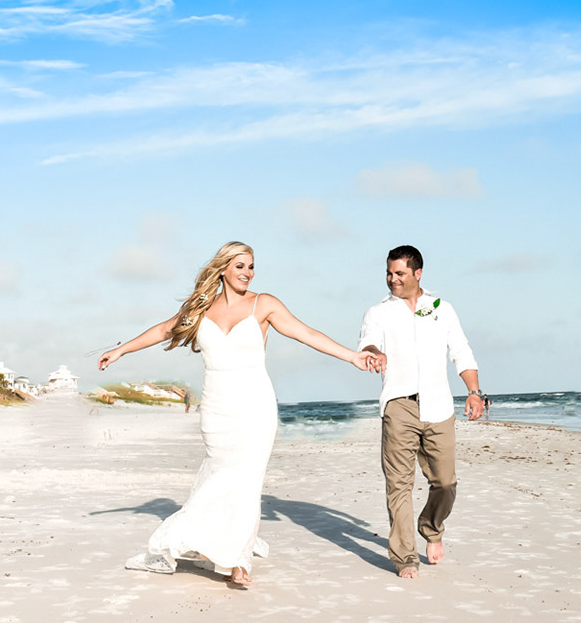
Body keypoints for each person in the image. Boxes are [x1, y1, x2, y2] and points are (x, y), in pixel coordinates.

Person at [100, 241, 382, 588]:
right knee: (221, 477)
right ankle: (214, 541)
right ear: (222, 269)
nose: (247, 273)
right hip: (217, 407)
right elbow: (163, 329)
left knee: (247, 481)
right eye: (240, 266)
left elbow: (306, 334)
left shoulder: (264, 304)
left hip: (255, 406)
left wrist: (352, 356)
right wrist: (120, 350)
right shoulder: (201, 308)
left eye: (251, 266)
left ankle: (238, 562)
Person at [357, 244, 484, 579]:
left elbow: (461, 350)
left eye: (399, 273)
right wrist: (373, 353)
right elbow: (368, 342)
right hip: (398, 404)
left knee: (445, 482)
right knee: (398, 484)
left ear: (418, 273)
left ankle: (432, 526)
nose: (392, 279)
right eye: (388, 273)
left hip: (439, 405)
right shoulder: (378, 312)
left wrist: (474, 393)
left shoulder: (440, 308)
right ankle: (405, 557)